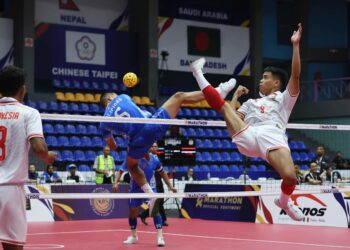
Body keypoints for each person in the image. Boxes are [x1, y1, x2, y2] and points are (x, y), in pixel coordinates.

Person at [191, 24, 304, 221]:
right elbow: (231, 119)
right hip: (250, 135)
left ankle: (284, 202)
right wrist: (234, 96)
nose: (260, 80)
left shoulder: (285, 99)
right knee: (225, 108)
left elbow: (295, 75)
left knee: (290, 177)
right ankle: (198, 73)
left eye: (265, 78)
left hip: (273, 135)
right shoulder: (250, 103)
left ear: (276, 83)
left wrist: (295, 46)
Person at [99, 78, 236, 215]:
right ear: (111, 98)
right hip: (152, 126)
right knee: (179, 96)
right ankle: (217, 92)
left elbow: (113, 147)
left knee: (132, 166)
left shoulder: (104, 122)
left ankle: (150, 193)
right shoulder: (124, 96)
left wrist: (119, 136)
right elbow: (137, 114)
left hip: (138, 141)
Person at [0, 65, 56, 250]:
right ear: (22, 89)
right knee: (12, 246)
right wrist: (48, 158)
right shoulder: (28, 113)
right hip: (10, 189)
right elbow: (39, 148)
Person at [113, 147, 177, 246]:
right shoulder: (131, 158)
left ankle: (160, 237)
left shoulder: (154, 160)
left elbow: (162, 172)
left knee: (155, 211)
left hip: (150, 189)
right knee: (133, 211)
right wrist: (116, 183)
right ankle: (134, 236)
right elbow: (120, 171)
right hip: (135, 189)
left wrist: (170, 186)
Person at [139, 143, 169, 226]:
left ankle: (144, 214)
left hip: (160, 182)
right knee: (157, 202)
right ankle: (163, 220)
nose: (154, 148)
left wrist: (168, 185)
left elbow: (162, 171)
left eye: (156, 146)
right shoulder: (148, 157)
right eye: (152, 146)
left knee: (160, 202)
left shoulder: (158, 158)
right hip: (152, 183)